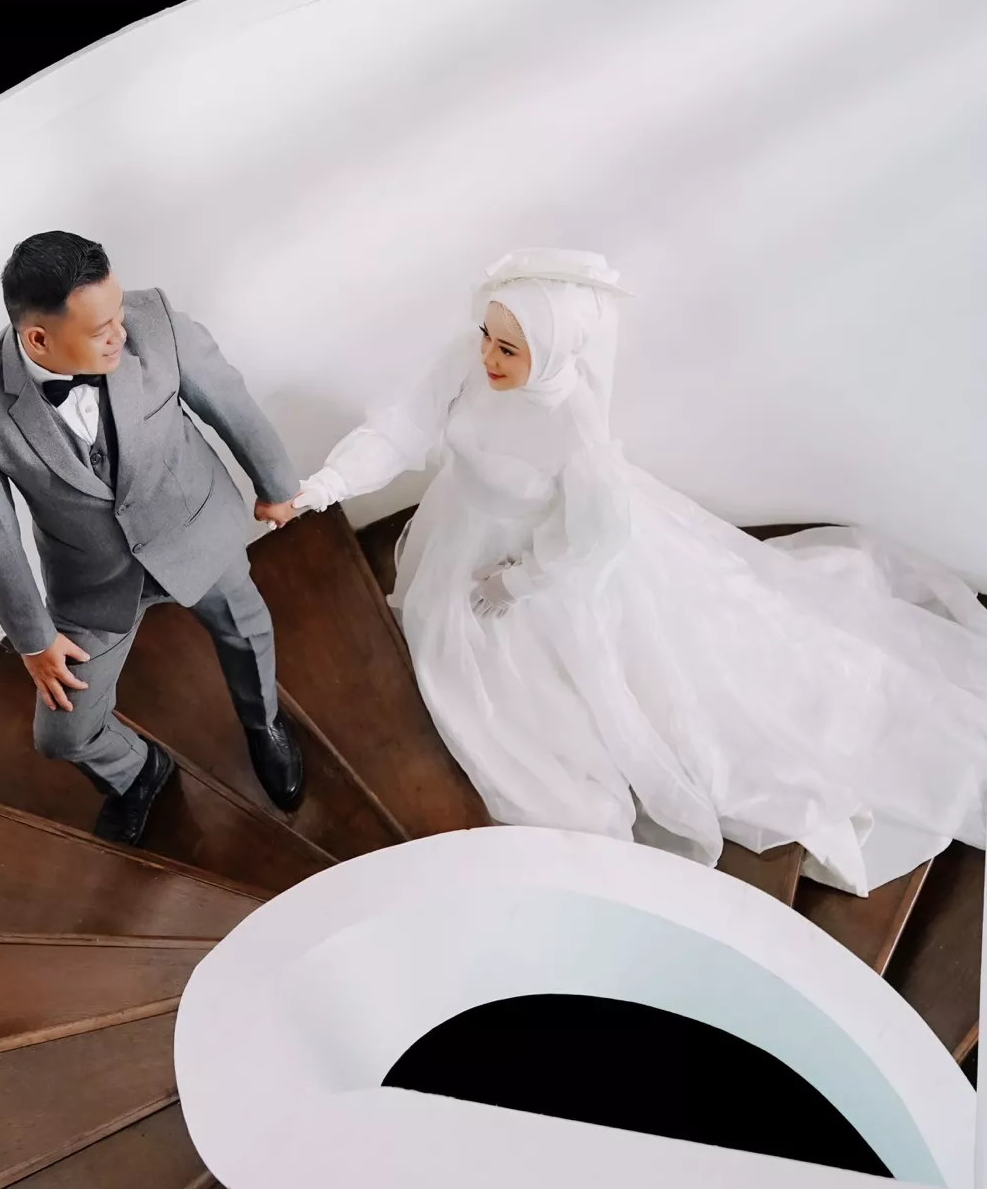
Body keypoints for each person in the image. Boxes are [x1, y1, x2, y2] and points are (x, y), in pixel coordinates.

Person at [293, 247, 987, 895]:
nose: (487, 357)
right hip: (463, 534)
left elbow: (597, 536)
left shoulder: (572, 427)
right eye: (485, 336)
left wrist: (519, 580)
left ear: (552, 350)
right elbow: (402, 426)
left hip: (536, 570)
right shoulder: (472, 362)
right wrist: (321, 488)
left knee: (564, 720)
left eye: (508, 348)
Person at [0, 231, 306, 843]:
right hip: (93, 583)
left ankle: (264, 721)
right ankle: (138, 772)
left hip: (193, 528)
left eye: (118, 312)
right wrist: (33, 639)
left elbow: (228, 398)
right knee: (62, 734)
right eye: (100, 328)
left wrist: (276, 485)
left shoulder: (152, 318)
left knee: (246, 630)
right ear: (38, 339)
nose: (122, 332)